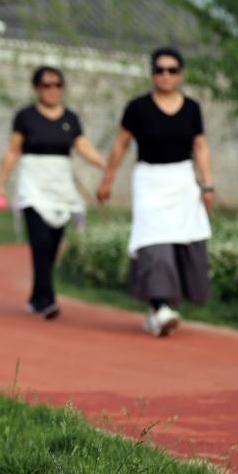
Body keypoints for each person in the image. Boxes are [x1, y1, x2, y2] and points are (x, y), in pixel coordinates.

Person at [96, 47, 215, 337]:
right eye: (160, 70)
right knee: (155, 243)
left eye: (172, 70)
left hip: (182, 181)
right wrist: (107, 179)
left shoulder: (191, 108)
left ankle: (159, 311)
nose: (166, 75)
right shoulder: (137, 108)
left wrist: (208, 183)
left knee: (181, 243)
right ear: (152, 74)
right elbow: (121, 144)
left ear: (181, 75)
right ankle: (160, 306)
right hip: (149, 181)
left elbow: (200, 146)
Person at [0, 65, 105, 320]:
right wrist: (0, 184)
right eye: (46, 85)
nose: (53, 90)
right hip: (33, 186)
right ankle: (48, 301)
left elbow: (83, 145)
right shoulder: (25, 117)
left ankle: (36, 296)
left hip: (60, 187)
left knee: (53, 245)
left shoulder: (70, 119)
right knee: (40, 242)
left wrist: (103, 164)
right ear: (36, 89)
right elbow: (13, 151)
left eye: (57, 85)